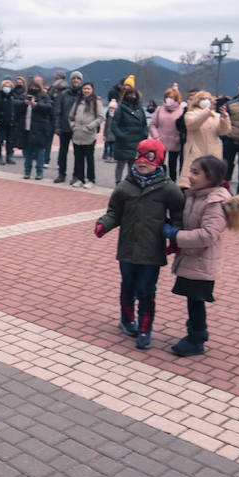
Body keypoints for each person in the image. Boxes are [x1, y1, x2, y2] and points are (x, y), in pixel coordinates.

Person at [95, 139, 184, 349]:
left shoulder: (169, 189)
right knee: (128, 285)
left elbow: (179, 213)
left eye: (149, 158)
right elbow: (114, 212)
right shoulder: (125, 186)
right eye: (139, 157)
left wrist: (175, 238)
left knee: (146, 290)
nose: (142, 162)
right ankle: (127, 319)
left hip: (151, 251)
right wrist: (103, 225)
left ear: (159, 161)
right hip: (127, 248)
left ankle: (145, 328)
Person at [163, 155, 239, 357]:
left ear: (211, 177)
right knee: (193, 299)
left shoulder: (215, 202)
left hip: (202, 260)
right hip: (192, 257)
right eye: (190, 171)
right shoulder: (196, 195)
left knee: (196, 299)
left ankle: (197, 338)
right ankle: (194, 332)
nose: (190, 176)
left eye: (196, 173)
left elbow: (208, 235)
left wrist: (176, 235)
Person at [179, 89, 230, 189]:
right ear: (197, 100)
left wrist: (224, 118)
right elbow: (193, 124)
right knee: (192, 183)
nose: (206, 101)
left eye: (208, 99)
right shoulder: (190, 114)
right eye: (203, 99)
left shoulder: (216, 116)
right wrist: (207, 111)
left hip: (213, 153)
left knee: (211, 183)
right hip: (195, 152)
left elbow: (224, 131)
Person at [17, 77, 55, 179]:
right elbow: (15, 104)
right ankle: (27, 171)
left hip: (40, 127)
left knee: (40, 150)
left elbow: (49, 107)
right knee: (28, 151)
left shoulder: (44, 96)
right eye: (32, 86)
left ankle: (39, 172)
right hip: (27, 127)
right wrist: (24, 103)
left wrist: (37, 105)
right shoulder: (25, 96)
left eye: (36, 87)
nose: (34, 88)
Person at [111, 82, 149, 183]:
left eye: (133, 95)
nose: (132, 96)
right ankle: (118, 182)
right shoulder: (120, 108)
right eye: (129, 94)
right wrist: (121, 135)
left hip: (137, 141)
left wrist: (145, 135)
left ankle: (131, 182)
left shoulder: (140, 109)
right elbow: (114, 124)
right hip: (124, 141)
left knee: (133, 164)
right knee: (121, 164)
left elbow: (144, 124)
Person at [69, 81, 103, 187]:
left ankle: (91, 179)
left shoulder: (96, 102)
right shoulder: (78, 101)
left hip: (89, 135)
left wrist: (90, 126)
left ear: (92, 90)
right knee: (78, 158)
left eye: (88, 88)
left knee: (89, 158)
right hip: (77, 135)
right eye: (84, 88)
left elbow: (101, 117)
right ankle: (80, 178)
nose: (86, 90)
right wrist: (73, 126)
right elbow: (71, 116)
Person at [53, 70, 84, 183]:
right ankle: (61, 174)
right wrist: (57, 126)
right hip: (64, 127)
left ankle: (76, 175)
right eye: (74, 78)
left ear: (80, 81)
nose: (76, 80)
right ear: (71, 80)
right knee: (62, 152)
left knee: (78, 153)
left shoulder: (83, 94)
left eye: (78, 78)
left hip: (78, 128)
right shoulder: (64, 94)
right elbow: (57, 111)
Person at [149, 88, 185, 180]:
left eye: (172, 97)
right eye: (167, 97)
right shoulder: (159, 109)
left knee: (173, 167)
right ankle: (158, 183)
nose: (169, 99)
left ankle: (172, 186)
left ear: (176, 98)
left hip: (176, 143)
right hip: (160, 142)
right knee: (158, 165)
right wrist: (156, 136)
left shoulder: (182, 110)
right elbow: (153, 124)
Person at [0, 78, 18, 164]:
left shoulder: (13, 96)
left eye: (9, 86)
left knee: (10, 140)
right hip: (2, 121)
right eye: (5, 86)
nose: (7, 88)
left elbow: (16, 107)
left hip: (11, 121)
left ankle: (9, 156)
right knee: (1, 140)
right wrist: (1, 115)